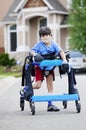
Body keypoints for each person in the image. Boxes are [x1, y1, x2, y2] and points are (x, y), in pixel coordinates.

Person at [30, 26, 67, 112]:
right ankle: (26, 88)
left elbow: (61, 51)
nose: (44, 37)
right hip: (40, 68)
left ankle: (50, 104)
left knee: (50, 86)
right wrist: (35, 54)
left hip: (50, 68)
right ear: (40, 37)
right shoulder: (39, 44)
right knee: (38, 85)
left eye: (46, 35)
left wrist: (64, 60)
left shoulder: (54, 44)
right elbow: (31, 51)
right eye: (42, 36)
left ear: (50, 35)